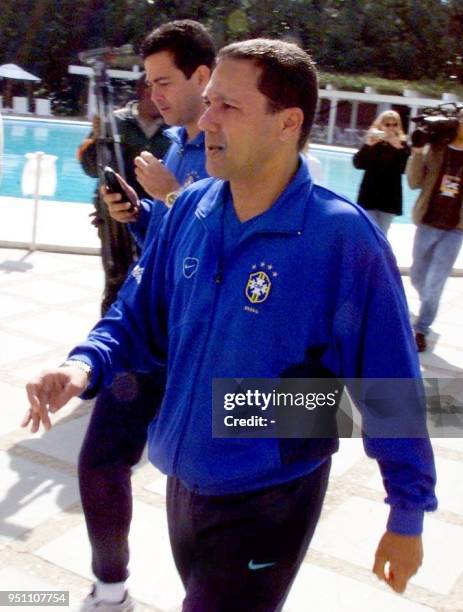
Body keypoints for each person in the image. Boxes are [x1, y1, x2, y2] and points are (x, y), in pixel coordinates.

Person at [24, 39, 437, 611]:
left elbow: (392, 385)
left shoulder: (341, 238)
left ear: (287, 122)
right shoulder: (190, 210)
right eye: (209, 101)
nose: (206, 119)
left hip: (271, 498)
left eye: (228, 107)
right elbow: (138, 315)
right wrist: (81, 366)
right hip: (182, 483)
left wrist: (407, 510)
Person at [71, 20, 214, 612]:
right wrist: (142, 214)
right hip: (154, 342)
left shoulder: (335, 226)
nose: (153, 94)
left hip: (212, 355)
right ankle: (112, 587)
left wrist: (173, 196)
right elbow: (167, 256)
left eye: (163, 81)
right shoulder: (179, 142)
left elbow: (231, 246)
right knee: (100, 461)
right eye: (148, 81)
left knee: (209, 490)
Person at [77, 76, 170, 314]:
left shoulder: (174, 131)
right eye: (152, 91)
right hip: (113, 219)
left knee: (151, 284)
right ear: (142, 92)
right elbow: (90, 169)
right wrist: (96, 140)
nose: (159, 99)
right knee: (116, 280)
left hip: (155, 221)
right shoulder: (114, 121)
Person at [407, 108, 463, 352]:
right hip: (428, 221)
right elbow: (414, 182)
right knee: (418, 275)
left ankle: (422, 328)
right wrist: (417, 152)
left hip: (456, 227)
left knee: (435, 281)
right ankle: (428, 303)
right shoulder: (437, 148)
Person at [353, 110, 410, 235]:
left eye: (394, 124)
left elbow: (405, 169)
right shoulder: (373, 142)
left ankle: (378, 255)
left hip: (390, 197)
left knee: (382, 234)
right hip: (369, 194)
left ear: (398, 126)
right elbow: (358, 164)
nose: (390, 128)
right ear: (380, 125)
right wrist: (367, 146)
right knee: (367, 232)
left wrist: (399, 149)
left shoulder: (402, 145)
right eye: (387, 124)